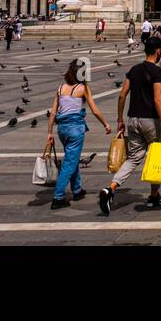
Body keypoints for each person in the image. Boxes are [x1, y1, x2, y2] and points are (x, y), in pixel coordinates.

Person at [100, 38, 161, 216]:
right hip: (150, 121)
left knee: (133, 158)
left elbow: (122, 95)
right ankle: (154, 196)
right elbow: (157, 100)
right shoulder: (158, 72)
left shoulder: (134, 70)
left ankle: (111, 188)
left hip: (132, 120)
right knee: (157, 158)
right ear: (157, 51)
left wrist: (120, 119)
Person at [45, 59, 112, 209]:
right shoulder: (82, 88)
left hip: (61, 129)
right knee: (69, 163)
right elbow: (94, 110)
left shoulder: (60, 88)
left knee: (71, 157)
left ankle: (77, 190)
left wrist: (49, 133)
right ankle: (58, 197)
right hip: (75, 129)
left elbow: (53, 112)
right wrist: (106, 124)